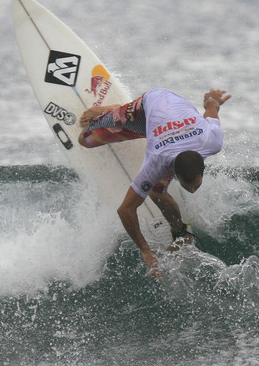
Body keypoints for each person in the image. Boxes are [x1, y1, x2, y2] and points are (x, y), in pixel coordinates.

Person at [78, 88, 231, 279]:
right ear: (175, 171)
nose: (192, 191)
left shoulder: (212, 141)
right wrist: (146, 251)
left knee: (156, 192)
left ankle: (180, 233)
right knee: (85, 138)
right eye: (188, 186)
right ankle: (115, 110)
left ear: (203, 169)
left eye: (196, 186)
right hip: (153, 101)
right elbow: (125, 210)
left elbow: (210, 110)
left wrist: (212, 99)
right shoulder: (157, 160)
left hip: (167, 122)